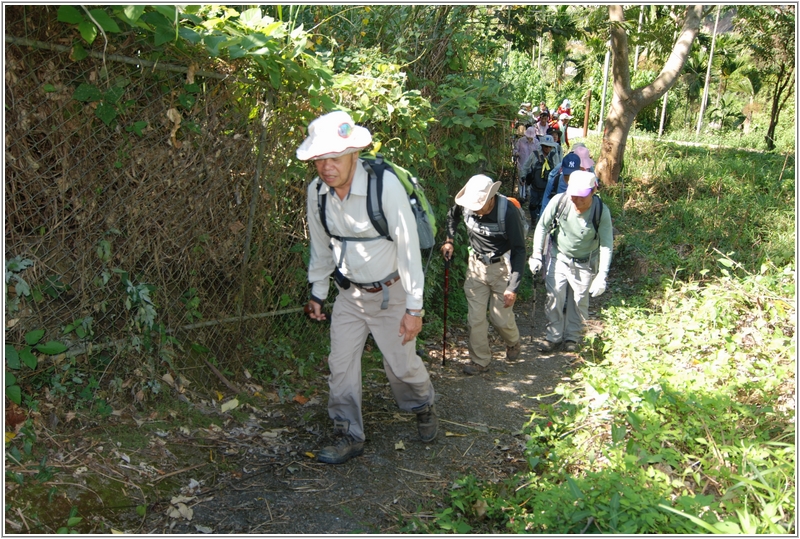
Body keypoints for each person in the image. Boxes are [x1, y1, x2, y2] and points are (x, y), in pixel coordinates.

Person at [299, 111, 437, 464]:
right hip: (349, 296)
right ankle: (348, 433)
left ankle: (422, 405)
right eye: (320, 158)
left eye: (335, 157)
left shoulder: (383, 186)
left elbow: (408, 250)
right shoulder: (317, 194)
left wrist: (414, 310)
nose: (327, 166)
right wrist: (318, 291)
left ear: (354, 154)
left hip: (393, 295)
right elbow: (321, 246)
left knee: (401, 367)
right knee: (340, 365)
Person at [441, 175, 525, 375]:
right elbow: (452, 216)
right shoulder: (467, 206)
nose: (475, 209)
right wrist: (449, 240)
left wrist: (513, 287)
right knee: (475, 319)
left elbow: (520, 250)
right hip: (476, 268)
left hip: (502, 268)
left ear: (491, 198)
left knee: (500, 319)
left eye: (480, 205)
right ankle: (480, 361)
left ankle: (513, 342)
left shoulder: (508, 212)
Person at [528, 171, 613, 353]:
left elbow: (606, 245)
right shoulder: (560, 201)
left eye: (582, 196)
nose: (577, 200)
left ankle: (573, 337)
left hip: (585, 262)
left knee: (579, 301)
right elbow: (542, 225)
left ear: (593, 191)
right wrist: (536, 254)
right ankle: (553, 336)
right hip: (559, 255)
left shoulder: (600, 211)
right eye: (573, 195)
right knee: (555, 296)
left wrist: (602, 276)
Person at [521, 134, 559, 225]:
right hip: (535, 185)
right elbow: (525, 166)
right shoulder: (535, 154)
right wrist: (523, 176)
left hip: (548, 186)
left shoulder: (554, 156)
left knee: (544, 205)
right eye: (545, 146)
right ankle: (533, 219)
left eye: (549, 147)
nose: (547, 149)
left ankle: (541, 223)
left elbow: (558, 169)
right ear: (542, 145)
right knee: (533, 205)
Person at [512, 127, 540, 201]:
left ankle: (528, 194)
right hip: (522, 163)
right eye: (528, 137)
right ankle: (522, 196)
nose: (530, 139)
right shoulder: (520, 141)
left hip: (532, 165)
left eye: (531, 138)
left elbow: (539, 153)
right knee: (522, 180)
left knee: (530, 180)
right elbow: (515, 150)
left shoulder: (537, 142)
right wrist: (516, 153)